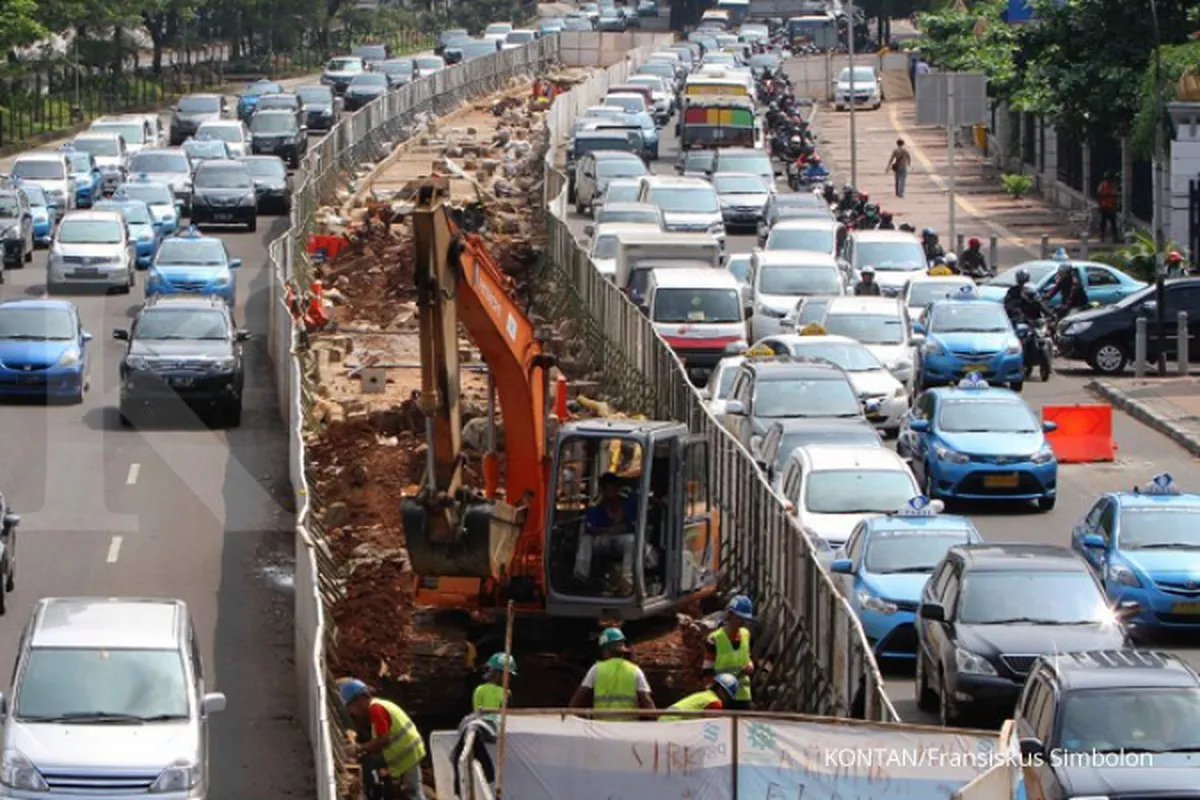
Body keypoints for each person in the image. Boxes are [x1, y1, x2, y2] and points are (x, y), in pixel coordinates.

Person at [339, 679, 427, 800]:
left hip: (406, 753)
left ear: (360, 699)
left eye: (351, 706)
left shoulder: (376, 709)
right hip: (404, 752)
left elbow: (383, 740)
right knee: (408, 791)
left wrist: (358, 749)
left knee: (413, 792)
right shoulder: (378, 706)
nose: (351, 712)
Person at [569, 627, 655, 719]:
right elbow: (646, 700)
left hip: (601, 728)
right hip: (628, 728)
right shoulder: (635, 670)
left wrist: (570, 716)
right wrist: (657, 722)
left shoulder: (596, 669)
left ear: (605, 649)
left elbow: (579, 697)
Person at [704, 595, 755, 710]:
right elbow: (707, 671)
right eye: (740, 618)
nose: (742, 622)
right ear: (730, 615)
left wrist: (750, 664)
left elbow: (746, 657)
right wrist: (711, 696)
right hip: (723, 696)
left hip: (743, 696)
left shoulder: (746, 634)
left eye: (745, 619)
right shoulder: (715, 639)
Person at [660, 674, 741, 721]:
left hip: (665, 719)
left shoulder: (705, 695)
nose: (726, 699)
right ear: (720, 690)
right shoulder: (715, 702)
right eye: (727, 695)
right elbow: (708, 726)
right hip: (674, 723)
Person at [473, 653, 516, 717]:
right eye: (508, 674)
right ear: (499, 674)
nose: (509, 678)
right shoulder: (506, 692)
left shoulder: (479, 689)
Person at [1097, 173, 1120, 243]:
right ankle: (1102, 237)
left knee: (1113, 223)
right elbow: (1099, 195)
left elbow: (1115, 195)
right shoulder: (1103, 185)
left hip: (1111, 207)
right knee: (1103, 223)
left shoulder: (1113, 185)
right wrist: (1100, 205)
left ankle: (1114, 238)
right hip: (1105, 206)